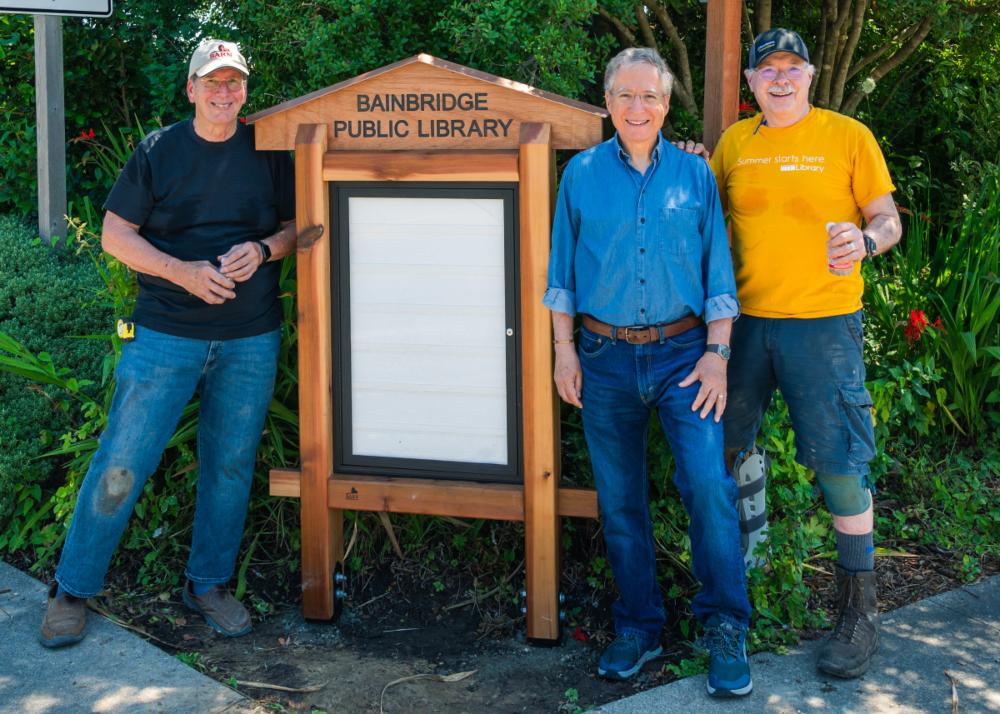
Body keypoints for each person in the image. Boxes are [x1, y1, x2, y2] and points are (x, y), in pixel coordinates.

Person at [40, 38, 296, 648]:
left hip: (250, 337)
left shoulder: (269, 151)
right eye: (212, 82)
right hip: (164, 335)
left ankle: (207, 585)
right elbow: (114, 235)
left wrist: (263, 249)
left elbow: (299, 227)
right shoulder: (159, 151)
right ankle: (72, 589)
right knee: (123, 458)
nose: (223, 92)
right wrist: (182, 272)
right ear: (191, 89)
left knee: (230, 465)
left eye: (233, 82)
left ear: (244, 90)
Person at [544, 47, 753, 698]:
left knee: (708, 487)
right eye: (626, 95)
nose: (638, 107)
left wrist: (718, 355)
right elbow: (561, 274)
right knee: (620, 500)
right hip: (603, 360)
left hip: (685, 357)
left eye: (650, 96)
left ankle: (725, 624)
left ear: (666, 105)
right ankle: (639, 625)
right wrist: (564, 350)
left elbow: (719, 272)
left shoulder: (695, 175)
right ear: (608, 102)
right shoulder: (580, 175)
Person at [709, 28, 902, 679]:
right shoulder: (735, 143)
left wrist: (867, 240)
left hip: (824, 325)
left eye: (793, 67)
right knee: (725, 448)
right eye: (768, 70)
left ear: (811, 76)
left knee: (841, 463)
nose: (781, 78)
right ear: (752, 82)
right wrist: (689, 158)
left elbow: (888, 219)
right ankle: (739, 588)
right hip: (742, 325)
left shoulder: (848, 136)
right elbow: (702, 212)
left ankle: (859, 613)